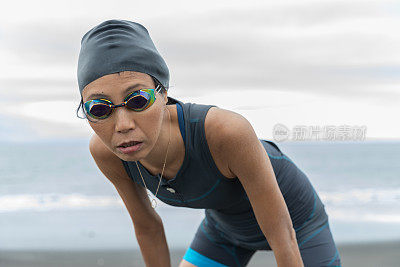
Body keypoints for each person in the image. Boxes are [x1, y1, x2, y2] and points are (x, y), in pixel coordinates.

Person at [76, 19, 341, 267]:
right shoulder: (107, 153)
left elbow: (282, 233)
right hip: (224, 229)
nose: (122, 125)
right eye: (99, 108)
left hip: (297, 223)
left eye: (138, 100)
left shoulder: (225, 132)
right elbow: (148, 227)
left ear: (164, 93)